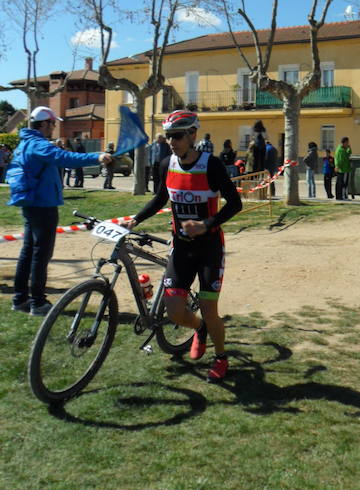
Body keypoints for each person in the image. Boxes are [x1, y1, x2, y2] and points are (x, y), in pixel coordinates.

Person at [120, 110, 242, 382]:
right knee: (175, 312)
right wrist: (135, 220)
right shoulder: (166, 164)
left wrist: (207, 224)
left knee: (210, 310)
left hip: (209, 248)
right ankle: (199, 330)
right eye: (168, 136)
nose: (171, 141)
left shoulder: (211, 166)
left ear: (192, 135)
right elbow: (160, 198)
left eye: (177, 136)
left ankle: (221, 357)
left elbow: (236, 204)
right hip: (182, 248)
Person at [7, 106, 111, 315]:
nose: (54, 128)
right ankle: (38, 302)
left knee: (29, 252)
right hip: (43, 206)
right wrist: (97, 157)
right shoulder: (39, 145)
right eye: (53, 124)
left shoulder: (25, 143)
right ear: (45, 124)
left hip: (31, 203)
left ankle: (20, 299)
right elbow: (65, 158)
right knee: (40, 255)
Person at [334, 136, 352, 201]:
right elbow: (340, 160)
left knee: (339, 183)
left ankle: (339, 196)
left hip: (342, 169)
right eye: (347, 142)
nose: (348, 144)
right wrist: (337, 166)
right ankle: (343, 196)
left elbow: (348, 154)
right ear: (344, 142)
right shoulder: (341, 150)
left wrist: (349, 148)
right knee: (343, 183)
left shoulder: (341, 149)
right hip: (343, 169)